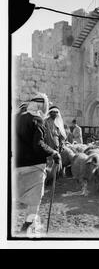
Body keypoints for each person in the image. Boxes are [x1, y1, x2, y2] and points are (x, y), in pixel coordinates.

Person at [14, 93, 62, 236]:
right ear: (42, 106)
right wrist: (54, 153)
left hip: (17, 165)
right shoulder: (37, 120)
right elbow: (38, 145)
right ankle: (26, 228)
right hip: (34, 167)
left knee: (18, 195)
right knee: (35, 200)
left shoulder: (18, 118)